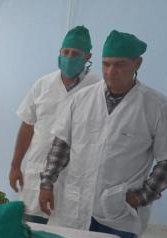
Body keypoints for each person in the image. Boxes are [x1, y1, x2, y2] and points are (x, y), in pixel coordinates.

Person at [39, 30, 167, 238]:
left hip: (118, 213)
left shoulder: (155, 105)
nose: (111, 71)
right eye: (107, 63)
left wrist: (141, 196)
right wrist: (46, 182)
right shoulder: (81, 100)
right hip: (76, 205)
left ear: (137, 64)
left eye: (120, 65)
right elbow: (61, 145)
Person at [9, 26, 99, 224]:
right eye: (65, 52)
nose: (69, 57)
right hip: (37, 170)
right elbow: (27, 126)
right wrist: (15, 165)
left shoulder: (97, 88)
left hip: (74, 176)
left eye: (75, 53)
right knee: (31, 232)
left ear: (88, 56)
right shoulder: (43, 85)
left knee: (66, 234)